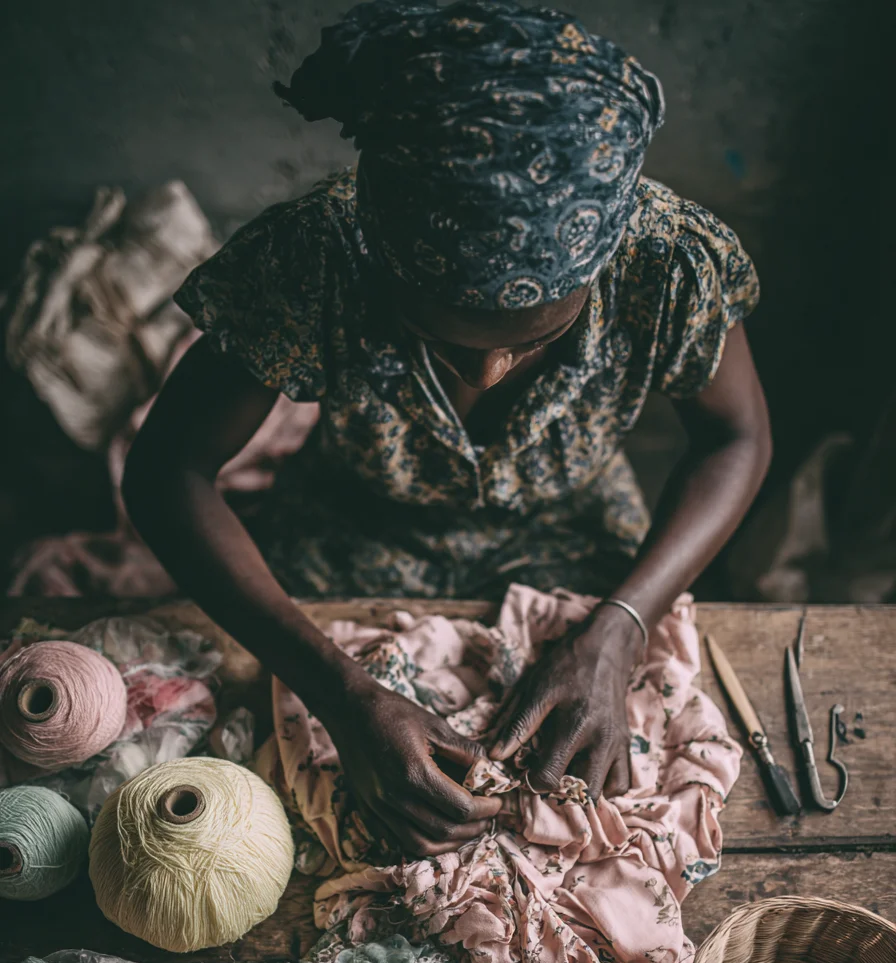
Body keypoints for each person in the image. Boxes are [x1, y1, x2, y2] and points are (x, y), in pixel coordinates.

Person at [123, 0, 771, 858]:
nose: (489, 373)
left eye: (535, 340)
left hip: (571, 524)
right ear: (383, 259)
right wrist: (338, 692)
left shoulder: (665, 259)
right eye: (442, 339)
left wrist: (621, 623)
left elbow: (737, 441)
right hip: (354, 521)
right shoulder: (317, 255)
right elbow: (167, 473)